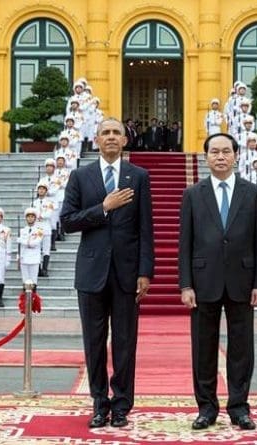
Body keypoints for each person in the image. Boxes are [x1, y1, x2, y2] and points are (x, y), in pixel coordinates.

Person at [61, 117, 155, 429]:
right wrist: (103, 207)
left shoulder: (138, 176)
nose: (112, 137)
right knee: (94, 341)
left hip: (127, 273)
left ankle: (122, 405)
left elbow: (145, 228)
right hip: (91, 272)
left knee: (126, 342)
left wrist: (145, 271)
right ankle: (99, 403)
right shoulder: (80, 176)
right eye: (106, 133)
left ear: (126, 139)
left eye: (117, 132)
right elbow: (68, 221)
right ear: (96, 139)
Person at [178, 132, 257, 431]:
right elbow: (185, 243)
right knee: (203, 348)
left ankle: (239, 407)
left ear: (235, 156)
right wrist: (185, 285)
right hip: (204, 281)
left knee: (242, 348)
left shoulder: (253, 194)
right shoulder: (193, 194)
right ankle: (206, 407)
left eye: (226, 151)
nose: (220, 157)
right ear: (206, 157)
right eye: (214, 152)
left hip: (243, 282)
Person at [32, 179, 54, 277]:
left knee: (46, 249)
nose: (41, 191)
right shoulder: (34, 203)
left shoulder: (49, 202)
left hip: (45, 227)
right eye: (39, 189)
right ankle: (38, 269)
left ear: (46, 191)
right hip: (36, 228)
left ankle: (45, 269)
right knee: (37, 249)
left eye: (43, 189)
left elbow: (48, 214)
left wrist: (39, 215)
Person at [17, 207, 44, 286]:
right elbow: (20, 247)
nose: (30, 218)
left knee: (33, 280)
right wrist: (18, 256)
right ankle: (25, 297)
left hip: (34, 258)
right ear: (26, 218)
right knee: (25, 280)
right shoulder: (22, 230)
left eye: (32, 217)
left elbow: (35, 243)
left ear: (35, 218)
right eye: (28, 216)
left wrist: (22, 241)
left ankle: (33, 297)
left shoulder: (40, 230)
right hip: (24, 258)